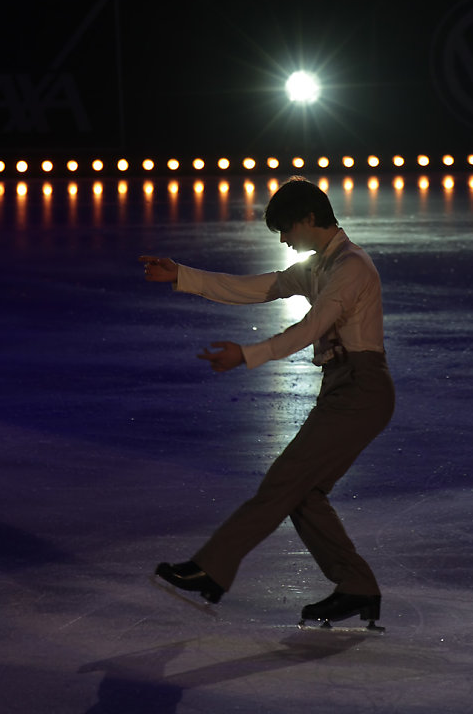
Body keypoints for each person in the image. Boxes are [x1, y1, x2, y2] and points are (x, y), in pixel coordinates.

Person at [139, 176, 395, 627]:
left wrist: (248, 354)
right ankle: (356, 585)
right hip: (343, 387)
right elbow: (257, 288)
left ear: (309, 218)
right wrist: (182, 275)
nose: (281, 239)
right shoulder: (319, 266)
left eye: (284, 228)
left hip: (362, 389)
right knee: (303, 493)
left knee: (283, 483)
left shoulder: (350, 267)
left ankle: (211, 569)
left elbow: (312, 327)